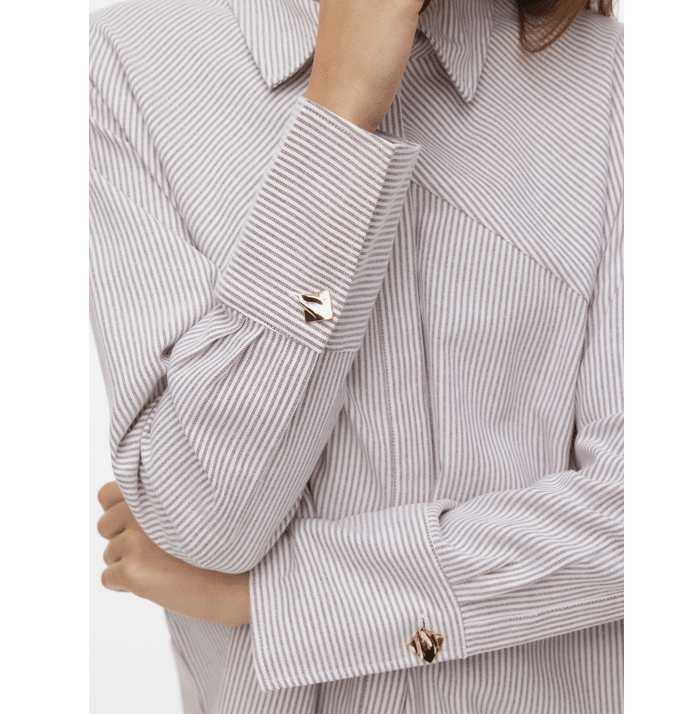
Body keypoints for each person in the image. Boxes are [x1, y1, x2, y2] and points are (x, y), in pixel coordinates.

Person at [90, 0, 623, 711]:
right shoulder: (129, 64)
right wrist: (338, 119)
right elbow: (207, 519)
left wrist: (285, 599)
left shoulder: (614, 80)